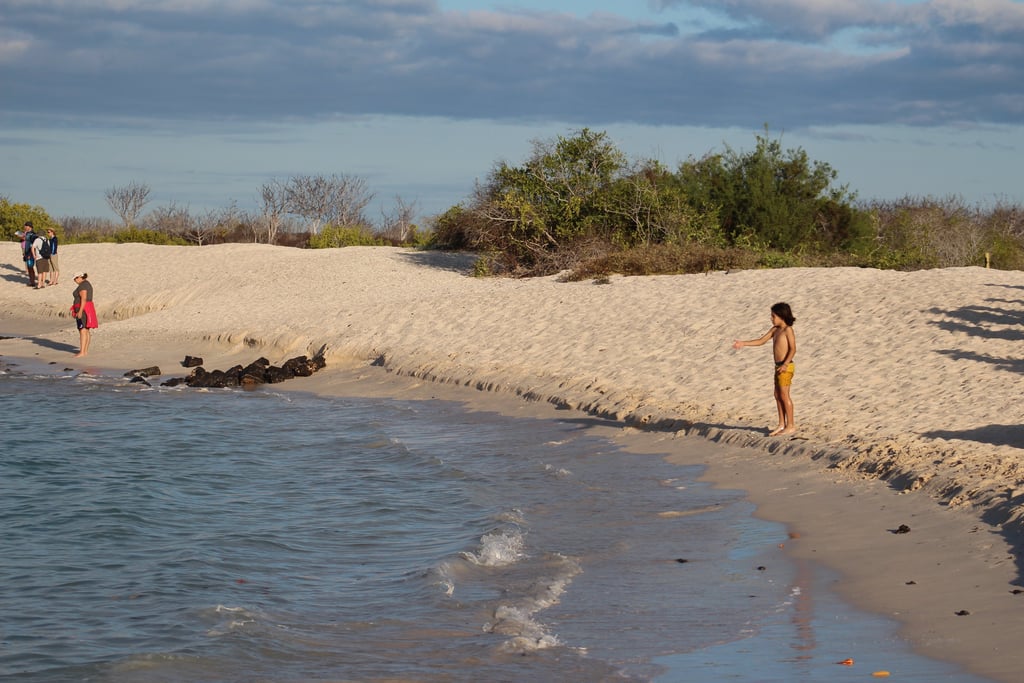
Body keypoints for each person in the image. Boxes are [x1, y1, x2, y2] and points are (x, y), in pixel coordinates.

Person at [732, 302, 797, 436]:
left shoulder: (787, 330)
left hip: (786, 366)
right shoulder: (775, 330)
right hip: (778, 366)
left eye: (773, 316)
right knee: (777, 395)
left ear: (782, 316)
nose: (771, 318)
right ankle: (781, 424)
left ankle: (790, 425)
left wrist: (785, 364)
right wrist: (744, 343)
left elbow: (793, 349)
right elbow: (761, 341)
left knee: (784, 395)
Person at [70, 273, 98, 357]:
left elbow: (84, 298)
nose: (74, 280)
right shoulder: (86, 284)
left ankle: (82, 352)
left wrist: (80, 311)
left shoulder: (83, 285)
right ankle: (84, 351)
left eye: (75, 278)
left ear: (80, 277)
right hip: (86, 308)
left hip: (83, 309)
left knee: (82, 330)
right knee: (86, 329)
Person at [21, 221, 37, 287]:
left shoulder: (33, 234)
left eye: (26, 226)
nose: (24, 227)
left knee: (30, 267)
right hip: (27, 252)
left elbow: (33, 245)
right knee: (29, 267)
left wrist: (30, 253)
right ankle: (31, 281)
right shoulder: (27, 233)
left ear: (29, 227)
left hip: (30, 253)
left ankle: (33, 282)